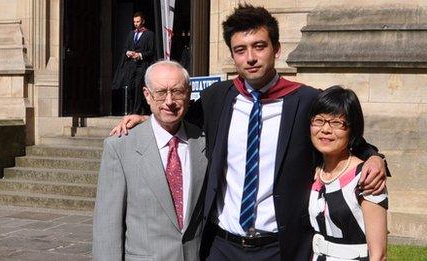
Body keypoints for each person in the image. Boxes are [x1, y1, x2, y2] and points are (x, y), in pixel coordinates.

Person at [110, 4, 387, 260]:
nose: (250, 58)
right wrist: (145, 118)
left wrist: (374, 158)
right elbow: (176, 117)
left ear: (276, 48)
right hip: (221, 246)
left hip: (280, 247)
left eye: (259, 46)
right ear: (232, 55)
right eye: (240, 49)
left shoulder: (306, 101)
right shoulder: (217, 98)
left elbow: (341, 134)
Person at [93, 61, 207, 261]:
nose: (169, 101)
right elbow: (107, 226)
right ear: (147, 95)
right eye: (161, 92)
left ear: (189, 93)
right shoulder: (120, 147)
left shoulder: (204, 142)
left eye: (178, 91)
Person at [308, 86, 387, 260]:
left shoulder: (367, 176)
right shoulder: (315, 172)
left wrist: (376, 158)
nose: (326, 129)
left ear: (352, 129)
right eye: (319, 120)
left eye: (337, 123)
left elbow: (378, 255)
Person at [112, 12, 155, 114]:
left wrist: (139, 55)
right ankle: (130, 109)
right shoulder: (131, 33)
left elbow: (151, 51)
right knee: (130, 87)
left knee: (138, 88)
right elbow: (125, 48)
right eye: (134, 22)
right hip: (131, 66)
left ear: (143, 21)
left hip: (142, 65)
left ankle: (137, 111)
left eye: (138, 21)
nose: (136, 24)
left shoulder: (149, 34)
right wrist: (128, 53)